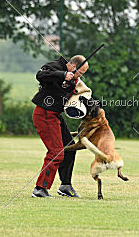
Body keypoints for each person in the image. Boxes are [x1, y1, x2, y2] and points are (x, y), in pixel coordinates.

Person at [31, 55, 89, 198]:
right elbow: (40, 75)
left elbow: (83, 93)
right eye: (80, 73)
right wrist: (63, 75)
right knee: (56, 152)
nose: (80, 76)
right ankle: (40, 188)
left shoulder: (75, 80)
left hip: (55, 115)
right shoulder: (55, 66)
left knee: (69, 147)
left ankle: (65, 186)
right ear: (73, 67)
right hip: (44, 113)